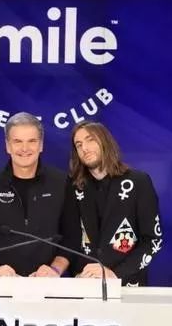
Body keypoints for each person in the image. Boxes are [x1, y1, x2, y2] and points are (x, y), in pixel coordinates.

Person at [0, 112, 70, 277]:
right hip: (2, 283)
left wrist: (55, 270)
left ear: (41, 145)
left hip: (49, 283)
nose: (24, 148)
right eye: (17, 141)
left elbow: (71, 239)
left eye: (32, 141)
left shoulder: (61, 182)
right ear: (7, 146)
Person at [64, 121, 163, 286]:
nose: (85, 148)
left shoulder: (138, 182)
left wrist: (115, 274)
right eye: (78, 144)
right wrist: (79, 273)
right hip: (85, 285)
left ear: (105, 141)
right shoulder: (73, 187)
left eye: (90, 140)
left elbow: (153, 240)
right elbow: (69, 239)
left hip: (128, 286)